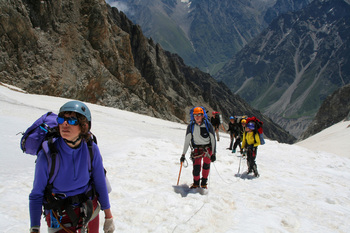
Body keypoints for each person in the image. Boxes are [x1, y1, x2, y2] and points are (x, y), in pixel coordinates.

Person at [29, 101, 115, 233]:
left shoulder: (91, 149)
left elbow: (100, 183)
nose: (65, 124)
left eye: (72, 120)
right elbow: (36, 194)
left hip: (89, 211)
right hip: (60, 216)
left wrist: (108, 216)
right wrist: (35, 227)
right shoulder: (48, 154)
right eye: (61, 119)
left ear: (84, 126)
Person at [180, 107, 216, 189]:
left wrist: (214, 153)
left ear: (203, 115)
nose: (197, 116)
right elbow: (187, 140)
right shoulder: (191, 126)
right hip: (198, 149)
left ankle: (203, 183)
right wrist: (183, 154)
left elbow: (213, 139)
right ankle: (196, 183)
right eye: (195, 115)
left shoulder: (208, 125)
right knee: (196, 168)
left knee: (206, 167)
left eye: (199, 114)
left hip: (207, 149)